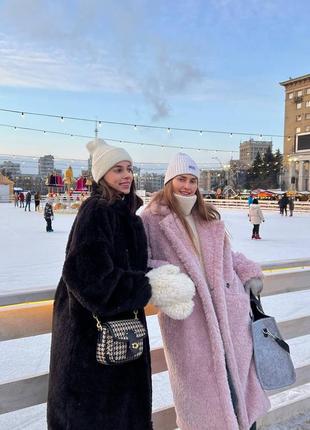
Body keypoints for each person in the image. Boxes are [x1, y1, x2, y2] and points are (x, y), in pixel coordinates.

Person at [47, 139, 192, 430]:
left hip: (121, 341)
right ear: (102, 176)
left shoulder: (127, 216)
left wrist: (159, 278)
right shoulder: (97, 211)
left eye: (129, 169)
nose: (126, 175)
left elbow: (131, 268)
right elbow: (88, 278)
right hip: (92, 344)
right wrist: (148, 286)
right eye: (117, 170)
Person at [141, 153, 270, 430]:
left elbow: (224, 256)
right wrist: (171, 280)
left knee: (241, 393)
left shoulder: (206, 214)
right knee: (203, 400)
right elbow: (144, 261)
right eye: (181, 179)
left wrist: (247, 271)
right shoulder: (150, 219)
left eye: (192, 180)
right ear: (169, 181)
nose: (187, 186)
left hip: (230, 314)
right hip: (191, 323)